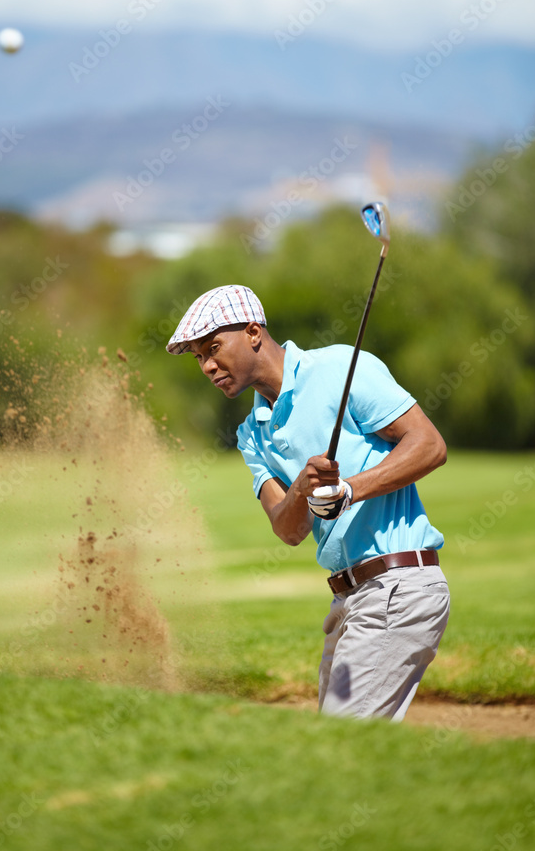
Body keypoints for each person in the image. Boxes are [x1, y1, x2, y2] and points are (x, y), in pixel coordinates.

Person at [166, 284, 450, 721]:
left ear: (254, 332)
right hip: (348, 601)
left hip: (397, 588)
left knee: (340, 740)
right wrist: (301, 487)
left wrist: (350, 489)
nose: (207, 366)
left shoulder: (340, 367)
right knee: (337, 743)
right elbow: (288, 530)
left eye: (214, 348)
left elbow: (429, 445)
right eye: (199, 357)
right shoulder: (252, 434)